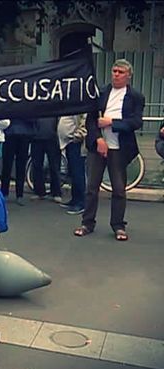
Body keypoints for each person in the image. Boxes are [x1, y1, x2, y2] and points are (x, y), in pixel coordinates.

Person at [74, 59, 145, 241]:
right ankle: (87, 223)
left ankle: (118, 225)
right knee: (92, 187)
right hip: (98, 146)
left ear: (128, 75)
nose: (116, 74)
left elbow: (136, 122)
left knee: (119, 189)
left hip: (120, 148)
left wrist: (112, 123)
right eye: (114, 71)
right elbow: (91, 119)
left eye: (120, 72)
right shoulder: (101, 93)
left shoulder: (135, 97)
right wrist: (98, 139)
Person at [0, 119, 35, 206]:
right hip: (11, 133)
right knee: (7, 165)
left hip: (22, 134)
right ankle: (5, 192)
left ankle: (18, 194)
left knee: (20, 165)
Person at [58, 114, 87, 215]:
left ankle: (81, 203)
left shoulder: (81, 104)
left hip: (76, 143)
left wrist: (77, 137)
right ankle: (74, 199)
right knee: (73, 173)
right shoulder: (72, 105)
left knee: (78, 172)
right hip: (68, 142)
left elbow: (84, 121)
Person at [30, 117, 62, 202]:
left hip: (52, 138)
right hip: (36, 138)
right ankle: (39, 192)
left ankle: (56, 193)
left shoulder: (54, 104)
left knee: (54, 166)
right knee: (36, 166)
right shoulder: (35, 104)